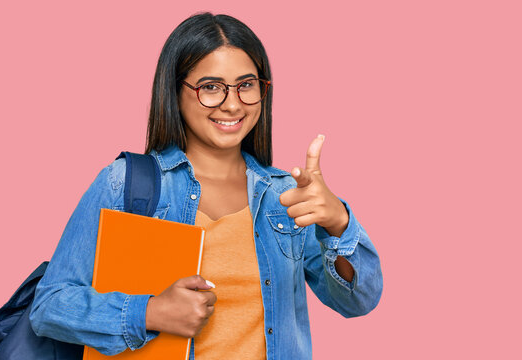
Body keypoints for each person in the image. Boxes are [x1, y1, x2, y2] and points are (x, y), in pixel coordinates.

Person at [29, 12, 382, 360]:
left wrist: (338, 223)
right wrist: (148, 313)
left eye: (246, 85)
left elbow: (358, 301)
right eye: (210, 87)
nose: (232, 104)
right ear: (175, 90)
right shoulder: (126, 184)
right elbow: (48, 305)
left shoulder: (285, 197)